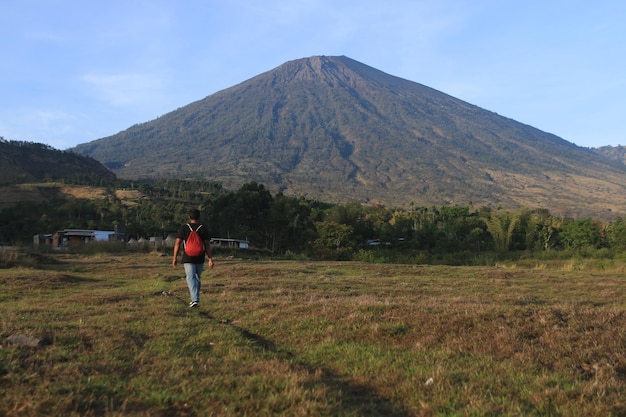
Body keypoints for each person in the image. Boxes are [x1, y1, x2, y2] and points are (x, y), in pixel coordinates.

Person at [172, 209, 214, 307]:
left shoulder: (184, 228)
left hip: (188, 257)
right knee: (197, 278)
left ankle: (194, 299)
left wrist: (174, 257)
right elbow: (207, 244)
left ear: (189, 217)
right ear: (199, 217)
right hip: (200, 257)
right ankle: (195, 297)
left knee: (190, 277)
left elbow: (177, 243)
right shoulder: (203, 228)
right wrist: (210, 258)